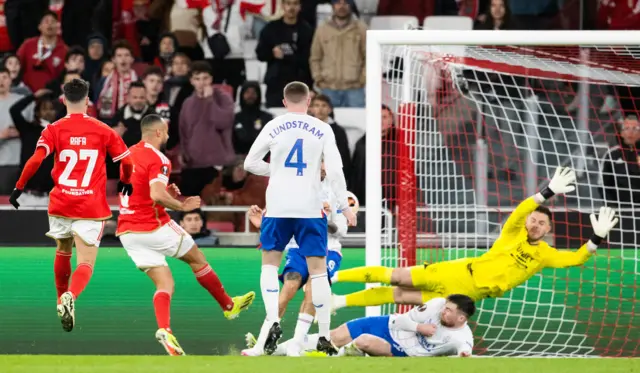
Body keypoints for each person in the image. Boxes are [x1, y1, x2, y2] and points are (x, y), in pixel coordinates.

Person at [331, 167, 620, 311]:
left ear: (547, 231)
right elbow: (522, 209)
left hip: (465, 294)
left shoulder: (545, 254)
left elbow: (576, 258)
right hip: (457, 269)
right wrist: (548, 192)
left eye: (541, 222)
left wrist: (596, 238)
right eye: (534, 219)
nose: (534, 223)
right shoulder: (512, 232)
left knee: (399, 296)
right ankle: (333, 278)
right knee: (396, 276)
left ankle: (337, 302)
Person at [116, 114, 255, 356]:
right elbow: (156, 195)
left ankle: (165, 329)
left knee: (165, 283)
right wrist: (181, 205)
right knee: (197, 259)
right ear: (158, 133)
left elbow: (143, 190)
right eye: (167, 131)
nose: (169, 135)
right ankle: (228, 305)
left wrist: (166, 192)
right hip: (153, 226)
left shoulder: (129, 154)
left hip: (128, 231)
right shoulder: (159, 158)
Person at [8, 78, 134, 333]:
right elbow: (127, 161)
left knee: (63, 249)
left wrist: (19, 187)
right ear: (88, 100)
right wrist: (125, 182)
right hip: (90, 205)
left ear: (63, 100)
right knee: (86, 261)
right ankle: (71, 296)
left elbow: (36, 160)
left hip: (61, 201)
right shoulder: (103, 129)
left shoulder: (53, 129)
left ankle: (59, 298)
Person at [241, 81, 356, 357]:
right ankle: (325, 336)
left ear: (283, 102)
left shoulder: (272, 126)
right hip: (310, 207)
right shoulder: (323, 129)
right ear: (308, 102)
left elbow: (249, 164)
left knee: (269, 266)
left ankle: (274, 323)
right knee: (318, 274)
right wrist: (344, 207)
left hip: (278, 206)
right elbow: (337, 170)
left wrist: (278, 172)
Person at [245, 170, 358, 356]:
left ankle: (296, 344)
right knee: (289, 287)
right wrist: (262, 223)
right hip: (298, 248)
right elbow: (283, 223)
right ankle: (264, 341)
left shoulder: (340, 192)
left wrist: (320, 217)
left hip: (328, 250)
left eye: (323, 161)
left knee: (314, 291)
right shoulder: (294, 187)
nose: (321, 166)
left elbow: (341, 230)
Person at [249, 295, 476, 358]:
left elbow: (465, 350)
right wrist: (419, 328)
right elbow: (400, 320)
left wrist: (463, 355)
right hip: (389, 325)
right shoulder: (436, 305)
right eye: (445, 307)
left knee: (362, 342)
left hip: (401, 350)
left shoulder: (460, 337)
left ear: (461, 319)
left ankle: (336, 357)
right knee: (333, 336)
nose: (443, 311)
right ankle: (272, 351)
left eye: (449, 311)